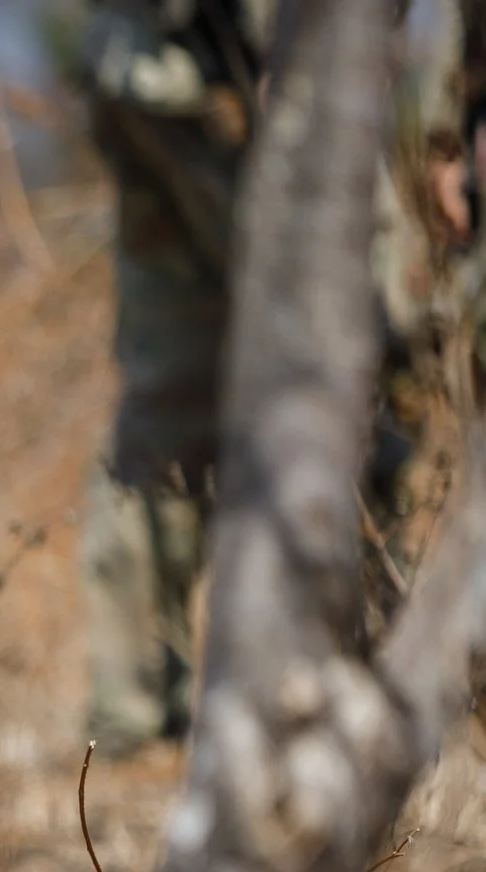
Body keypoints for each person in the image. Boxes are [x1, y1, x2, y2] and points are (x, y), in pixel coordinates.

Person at [72, 2, 483, 756]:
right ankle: (332, 693)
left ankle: (134, 715)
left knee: (175, 379)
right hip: (219, 84)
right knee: (352, 366)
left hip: (146, 72)